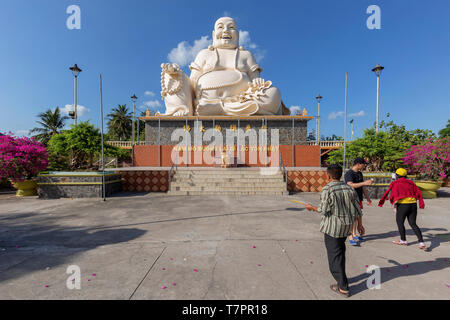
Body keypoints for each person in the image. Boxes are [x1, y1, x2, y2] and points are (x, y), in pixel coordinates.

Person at [305, 164, 363, 298]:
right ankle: (343, 278)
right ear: (341, 174)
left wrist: (311, 207)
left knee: (334, 256)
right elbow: (357, 209)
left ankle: (343, 287)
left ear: (328, 175)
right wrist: (360, 225)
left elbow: (323, 210)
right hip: (346, 227)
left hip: (333, 228)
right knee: (340, 252)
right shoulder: (349, 188)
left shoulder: (328, 189)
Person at [378, 168, 427, 250]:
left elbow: (391, 194)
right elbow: (418, 192)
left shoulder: (395, 183)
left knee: (400, 222)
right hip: (413, 204)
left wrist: (384, 202)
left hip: (403, 205)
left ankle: (403, 240)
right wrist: (421, 203)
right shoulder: (411, 183)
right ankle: (421, 242)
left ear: (397, 175)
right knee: (413, 223)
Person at [344, 158, 373, 246]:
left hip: (359, 198)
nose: (364, 166)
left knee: (357, 216)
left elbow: (363, 187)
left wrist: (368, 198)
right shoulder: (349, 173)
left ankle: (354, 233)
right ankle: (350, 236)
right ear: (358, 164)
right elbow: (350, 185)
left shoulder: (360, 173)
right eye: (363, 164)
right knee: (352, 217)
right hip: (351, 198)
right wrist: (364, 183)